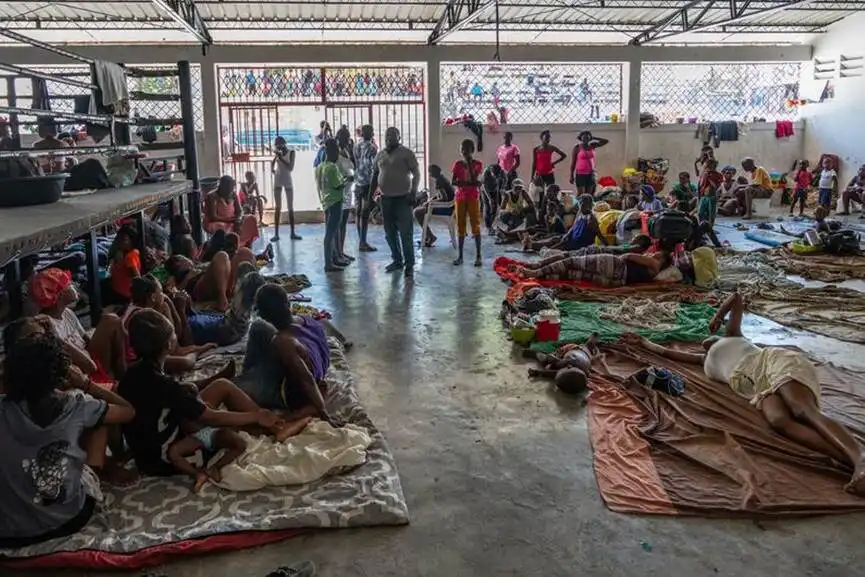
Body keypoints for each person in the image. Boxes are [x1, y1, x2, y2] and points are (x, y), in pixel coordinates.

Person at [622, 292, 865, 495]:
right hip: (757, 387)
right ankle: (848, 461)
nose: (706, 340)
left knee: (802, 410)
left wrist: (719, 315)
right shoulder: (704, 360)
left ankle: (860, 456)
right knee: (778, 421)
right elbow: (666, 353)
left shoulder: (733, 335)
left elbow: (737, 298)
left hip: (771, 363)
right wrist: (643, 342)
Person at [119, 309, 304, 478]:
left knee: (222, 385)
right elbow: (212, 418)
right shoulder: (164, 385)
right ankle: (273, 425)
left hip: (145, 455)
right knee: (227, 427)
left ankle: (273, 425)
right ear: (169, 344)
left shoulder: (132, 373)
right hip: (166, 457)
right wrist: (256, 415)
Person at [0, 333, 135, 548]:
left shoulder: (4, 409)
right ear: (62, 373)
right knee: (98, 420)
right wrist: (87, 384)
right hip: (68, 518)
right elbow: (128, 411)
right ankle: (100, 468)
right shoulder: (78, 405)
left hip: (9, 532)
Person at [235, 283, 348, 424]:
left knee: (232, 387)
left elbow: (306, 380)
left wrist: (323, 412)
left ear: (263, 314)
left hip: (291, 394)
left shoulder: (283, 342)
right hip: (318, 371)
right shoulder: (310, 321)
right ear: (288, 303)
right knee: (259, 328)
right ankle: (251, 373)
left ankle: (248, 376)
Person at [31, 268, 127, 383]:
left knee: (111, 320)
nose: (74, 285)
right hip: (81, 370)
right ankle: (121, 375)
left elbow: (86, 340)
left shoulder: (67, 312)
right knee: (110, 321)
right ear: (59, 294)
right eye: (68, 284)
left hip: (89, 357)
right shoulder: (46, 325)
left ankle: (120, 372)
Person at [370, 127, 420, 277]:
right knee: (389, 233)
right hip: (386, 199)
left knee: (406, 232)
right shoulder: (380, 155)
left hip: (403, 198)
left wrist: (413, 192)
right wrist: (370, 197)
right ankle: (397, 260)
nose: (389, 139)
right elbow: (375, 176)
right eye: (387, 136)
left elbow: (416, 173)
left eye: (393, 136)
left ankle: (409, 265)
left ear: (398, 138)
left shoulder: (406, 153)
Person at [164, 245, 255, 312]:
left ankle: (245, 292)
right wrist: (188, 277)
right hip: (200, 288)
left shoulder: (197, 265)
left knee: (245, 253)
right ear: (178, 263)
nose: (187, 259)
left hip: (222, 281)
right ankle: (222, 299)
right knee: (222, 255)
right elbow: (176, 291)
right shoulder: (177, 274)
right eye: (183, 258)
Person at [514, 250, 668, 286]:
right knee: (573, 274)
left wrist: (619, 258)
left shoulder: (654, 264)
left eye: (657, 253)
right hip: (617, 281)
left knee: (572, 262)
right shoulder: (654, 274)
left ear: (661, 258)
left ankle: (534, 272)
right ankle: (540, 276)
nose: (653, 253)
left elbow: (628, 256)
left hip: (616, 266)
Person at [523, 333, 600, 395]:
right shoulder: (570, 362)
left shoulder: (581, 375)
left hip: (584, 353)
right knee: (547, 361)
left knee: (590, 344)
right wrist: (542, 371)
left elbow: (557, 374)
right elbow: (555, 372)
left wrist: (538, 372)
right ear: (569, 367)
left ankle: (594, 337)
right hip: (573, 349)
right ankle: (536, 354)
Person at [522, 195, 603, 252]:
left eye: (583, 204)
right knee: (555, 239)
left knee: (558, 245)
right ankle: (531, 245)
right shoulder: (580, 213)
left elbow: (599, 234)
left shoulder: (592, 219)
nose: (581, 206)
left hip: (579, 245)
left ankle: (540, 249)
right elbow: (573, 227)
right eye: (580, 203)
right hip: (572, 239)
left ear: (589, 205)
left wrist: (608, 247)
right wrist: (567, 235)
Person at [315, 138, 348, 272]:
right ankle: (328, 263)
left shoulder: (319, 167)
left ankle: (334, 259)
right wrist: (347, 179)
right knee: (331, 233)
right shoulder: (332, 167)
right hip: (335, 201)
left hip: (326, 201)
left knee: (331, 232)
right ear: (333, 152)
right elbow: (338, 185)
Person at [451, 139, 484, 267]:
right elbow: (453, 181)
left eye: (468, 149)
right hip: (460, 197)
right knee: (460, 225)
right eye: (463, 148)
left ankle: (478, 256)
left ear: (472, 150)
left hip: (473, 197)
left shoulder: (477, 164)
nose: (465, 151)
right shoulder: (457, 164)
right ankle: (460, 256)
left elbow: (477, 180)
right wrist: (467, 184)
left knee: (475, 224)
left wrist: (470, 166)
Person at [204, 175, 259, 248]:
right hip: (216, 222)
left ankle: (247, 246)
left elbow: (240, 211)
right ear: (221, 186)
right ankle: (229, 248)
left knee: (251, 219)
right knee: (221, 227)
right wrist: (232, 220)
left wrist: (239, 219)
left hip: (232, 220)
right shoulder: (212, 196)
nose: (229, 190)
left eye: (231, 188)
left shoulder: (233, 194)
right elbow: (213, 217)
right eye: (227, 188)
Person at [415, 164, 455, 247]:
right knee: (421, 209)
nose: (429, 174)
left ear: (434, 172)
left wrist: (430, 203)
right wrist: (431, 200)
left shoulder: (439, 181)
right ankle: (428, 236)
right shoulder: (442, 178)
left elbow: (444, 198)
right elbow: (439, 195)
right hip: (449, 206)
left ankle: (430, 236)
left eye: (430, 172)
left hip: (445, 208)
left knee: (417, 212)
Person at [353, 125, 379, 252]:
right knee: (365, 212)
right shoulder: (373, 148)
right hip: (368, 182)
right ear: (371, 133)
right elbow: (375, 167)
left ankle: (360, 241)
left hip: (358, 181)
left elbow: (355, 162)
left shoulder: (356, 146)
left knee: (358, 212)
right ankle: (363, 242)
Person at [270, 136, 299, 241]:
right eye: (276, 145)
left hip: (287, 180)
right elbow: (272, 164)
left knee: (290, 207)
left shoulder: (291, 152)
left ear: (284, 143)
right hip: (278, 179)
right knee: (278, 207)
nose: (278, 147)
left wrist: (281, 157)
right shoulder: (278, 153)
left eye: (279, 144)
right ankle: (276, 234)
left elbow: (290, 168)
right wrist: (273, 167)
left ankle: (292, 233)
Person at [335, 127, 356, 265]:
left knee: (343, 224)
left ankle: (341, 251)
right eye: (345, 137)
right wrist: (345, 179)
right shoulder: (335, 152)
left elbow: (353, 166)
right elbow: (334, 171)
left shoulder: (347, 151)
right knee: (337, 224)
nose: (348, 139)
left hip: (348, 191)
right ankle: (336, 253)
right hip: (339, 191)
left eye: (348, 137)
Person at [108, 225, 141, 303]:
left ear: (131, 241)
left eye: (124, 239)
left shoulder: (130, 257)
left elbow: (137, 278)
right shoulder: (122, 253)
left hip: (124, 296)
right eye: (119, 239)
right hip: (119, 292)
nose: (120, 242)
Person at [569, 131, 608, 196]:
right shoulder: (577, 147)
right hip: (580, 174)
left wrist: (594, 137)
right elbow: (573, 162)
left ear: (590, 138)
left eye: (587, 137)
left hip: (591, 174)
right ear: (580, 138)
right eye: (584, 137)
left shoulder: (593, 145)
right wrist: (571, 176)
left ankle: (588, 206)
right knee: (581, 194)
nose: (585, 139)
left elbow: (606, 141)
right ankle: (578, 206)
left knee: (589, 194)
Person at [530, 131, 567, 195]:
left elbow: (564, 155)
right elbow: (534, 163)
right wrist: (532, 176)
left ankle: (550, 204)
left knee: (551, 192)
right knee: (540, 193)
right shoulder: (536, 149)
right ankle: (541, 205)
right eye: (546, 138)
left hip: (549, 173)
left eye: (549, 138)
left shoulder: (551, 148)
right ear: (542, 138)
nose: (548, 140)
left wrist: (554, 163)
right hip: (539, 174)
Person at [481, 164, 507, 234]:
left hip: (494, 190)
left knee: (495, 207)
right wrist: (489, 199)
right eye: (494, 175)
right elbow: (484, 187)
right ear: (491, 171)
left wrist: (502, 187)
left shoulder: (501, 171)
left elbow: (505, 179)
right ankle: (488, 227)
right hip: (485, 191)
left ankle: (490, 225)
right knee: (488, 207)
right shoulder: (486, 172)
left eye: (497, 176)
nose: (495, 177)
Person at [698, 158, 724, 227]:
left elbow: (716, 186)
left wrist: (709, 177)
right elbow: (701, 185)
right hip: (704, 195)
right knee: (701, 212)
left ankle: (710, 227)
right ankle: (702, 226)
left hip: (712, 196)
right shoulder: (704, 174)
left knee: (711, 214)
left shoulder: (718, 175)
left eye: (709, 164)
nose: (707, 166)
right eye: (707, 164)